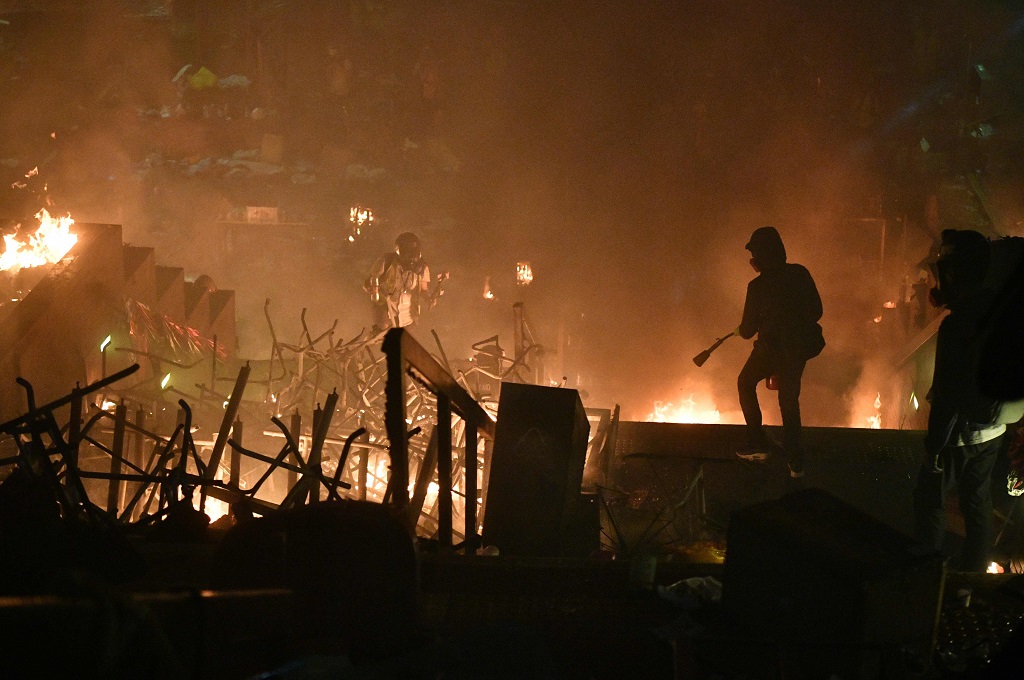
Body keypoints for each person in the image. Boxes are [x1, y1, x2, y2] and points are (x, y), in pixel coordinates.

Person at [913, 229, 1005, 572]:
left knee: (931, 501)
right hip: (993, 431)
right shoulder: (1002, 310)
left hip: (958, 435)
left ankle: (925, 581)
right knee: (977, 504)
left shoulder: (957, 325)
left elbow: (948, 395)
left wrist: (933, 448)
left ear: (955, 273)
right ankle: (973, 583)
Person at [734, 226, 824, 478]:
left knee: (745, 382)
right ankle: (796, 463)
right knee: (788, 400)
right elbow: (817, 311)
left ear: (759, 258)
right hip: (798, 349)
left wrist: (744, 328)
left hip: (771, 349)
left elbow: (748, 330)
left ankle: (757, 445)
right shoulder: (800, 273)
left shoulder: (757, 286)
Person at [364, 232, 444, 331]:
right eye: (407, 254)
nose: (411, 259)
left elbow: (423, 289)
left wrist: (428, 299)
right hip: (386, 311)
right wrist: (371, 288)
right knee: (385, 334)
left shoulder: (422, 268)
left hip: (408, 316)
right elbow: (368, 282)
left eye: (413, 254)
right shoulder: (386, 261)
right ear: (399, 252)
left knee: (403, 341)